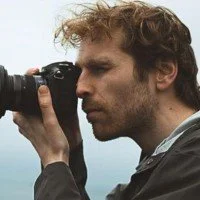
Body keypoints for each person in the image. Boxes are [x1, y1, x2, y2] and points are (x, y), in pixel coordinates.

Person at [13, 1, 200, 199]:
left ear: (164, 72)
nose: (80, 88)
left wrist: (54, 160)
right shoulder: (163, 171)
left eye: (100, 69)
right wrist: (69, 156)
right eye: (80, 73)